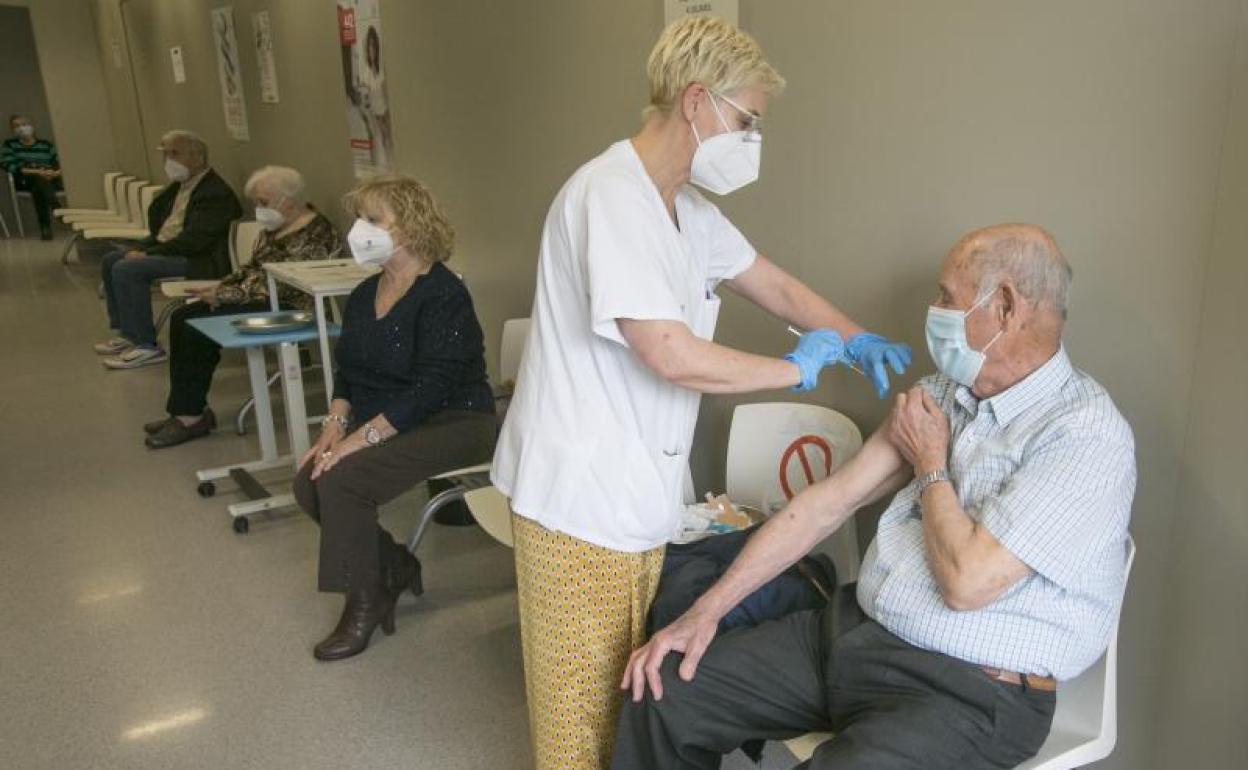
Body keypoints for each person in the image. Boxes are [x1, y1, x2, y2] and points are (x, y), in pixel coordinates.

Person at [490, 16, 912, 769]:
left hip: (637, 491)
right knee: (578, 717)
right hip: (576, 495)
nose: (753, 138)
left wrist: (852, 337)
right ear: (696, 102)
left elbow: (775, 285)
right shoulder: (608, 197)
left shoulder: (688, 210)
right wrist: (797, 370)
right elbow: (669, 353)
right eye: (747, 119)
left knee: (627, 694)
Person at [613, 224, 1138, 770]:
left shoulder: (1084, 436)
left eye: (947, 298)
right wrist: (704, 612)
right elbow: (827, 504)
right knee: (664, 691)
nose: (934, 310)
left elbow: (967, 583)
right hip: (856, 633)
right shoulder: (941, 394)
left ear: (1005, 306)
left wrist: (932, 464)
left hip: (971, 691)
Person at [292, 174, 497, 662]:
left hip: (456, 420)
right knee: (309, 479)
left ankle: (367, 600)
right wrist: (333, 429)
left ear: (409, 226)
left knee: (341, 480)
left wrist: (357, 442)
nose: (359, 229)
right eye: (359, 218)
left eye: (372, 219)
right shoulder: (366, 292)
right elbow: (350, 370)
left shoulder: (444, 294)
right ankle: (395, 566)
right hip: (388, 417)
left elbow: (432, 389)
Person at [143, 166, 341, 449]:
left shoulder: (315, 233)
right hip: (261, 298)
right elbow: (252, 268)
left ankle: (190, 415)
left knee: (192, 325)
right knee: (184, 316)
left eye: (264, 202)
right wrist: (219, 287)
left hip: (293, 308)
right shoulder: (277, 227)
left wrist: (225, 295)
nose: (259, 210)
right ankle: (187, 411)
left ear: (289, 200)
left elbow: (287, 285)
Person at [95, 130, 242, 370]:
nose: (168, 161)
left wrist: (148, 254)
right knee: (111, 259)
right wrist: (141, 247)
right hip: (174, 249)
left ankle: (147, 345)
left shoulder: (214, 193)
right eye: (165, 154)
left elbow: (196, 241)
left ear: (197, 157)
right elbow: (163, 231)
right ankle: (128, 334)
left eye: (174, 154)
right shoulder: (179, 187)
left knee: (128, 269)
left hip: (200, 258)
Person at [2, 115, 62, 240]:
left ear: (32, 126)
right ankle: (57, 209)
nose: (21, 128)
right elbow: (9, 165)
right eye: (16, 126)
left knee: (40, 188)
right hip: (26, 178)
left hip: (51, 177)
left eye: (24, 124)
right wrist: (37, 172)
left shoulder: (46, 145)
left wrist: (55, 173)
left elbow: (59, 162)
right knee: (38, 182)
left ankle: (45, 227)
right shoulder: (10, 145)